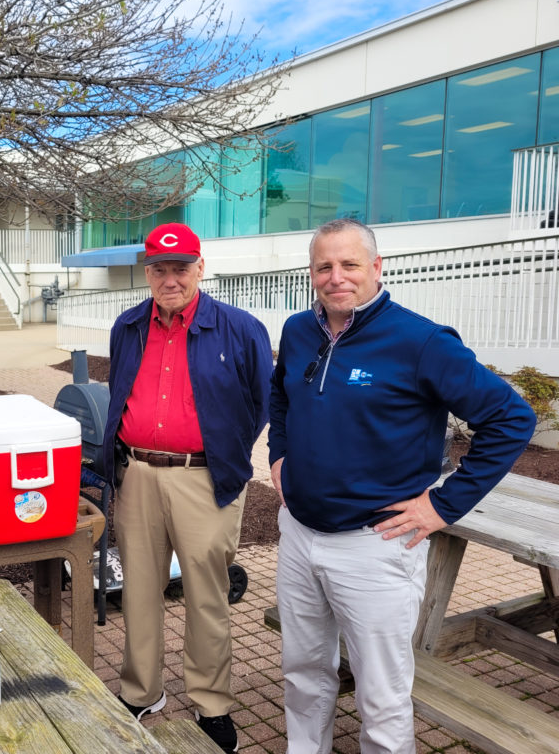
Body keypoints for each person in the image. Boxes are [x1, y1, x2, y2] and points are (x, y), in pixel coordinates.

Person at [269, 218, 536, 753]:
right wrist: (279, 455)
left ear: (376, 268)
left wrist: (443, 506)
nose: (336, 277)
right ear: (312, 273)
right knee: (303, 672)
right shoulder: (299, 330)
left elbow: (511, 419)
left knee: (381, 696)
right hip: (298, 535)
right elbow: (282, 395)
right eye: (324, 266)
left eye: (349, 264)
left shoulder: (421, 342)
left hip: (376, 546)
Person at [102, 222, 273, 753]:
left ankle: (212, 704)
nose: (170, 278)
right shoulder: (128, 325)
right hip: (138, 477)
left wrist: (221, 452)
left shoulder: (240, 329)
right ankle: (141, 692)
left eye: (181, 267)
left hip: (205, 480)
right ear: (147, 271)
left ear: (201, 268)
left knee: (206, 598)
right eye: (159, 268)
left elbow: (263, 404)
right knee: (140, 591)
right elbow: (119, 394)